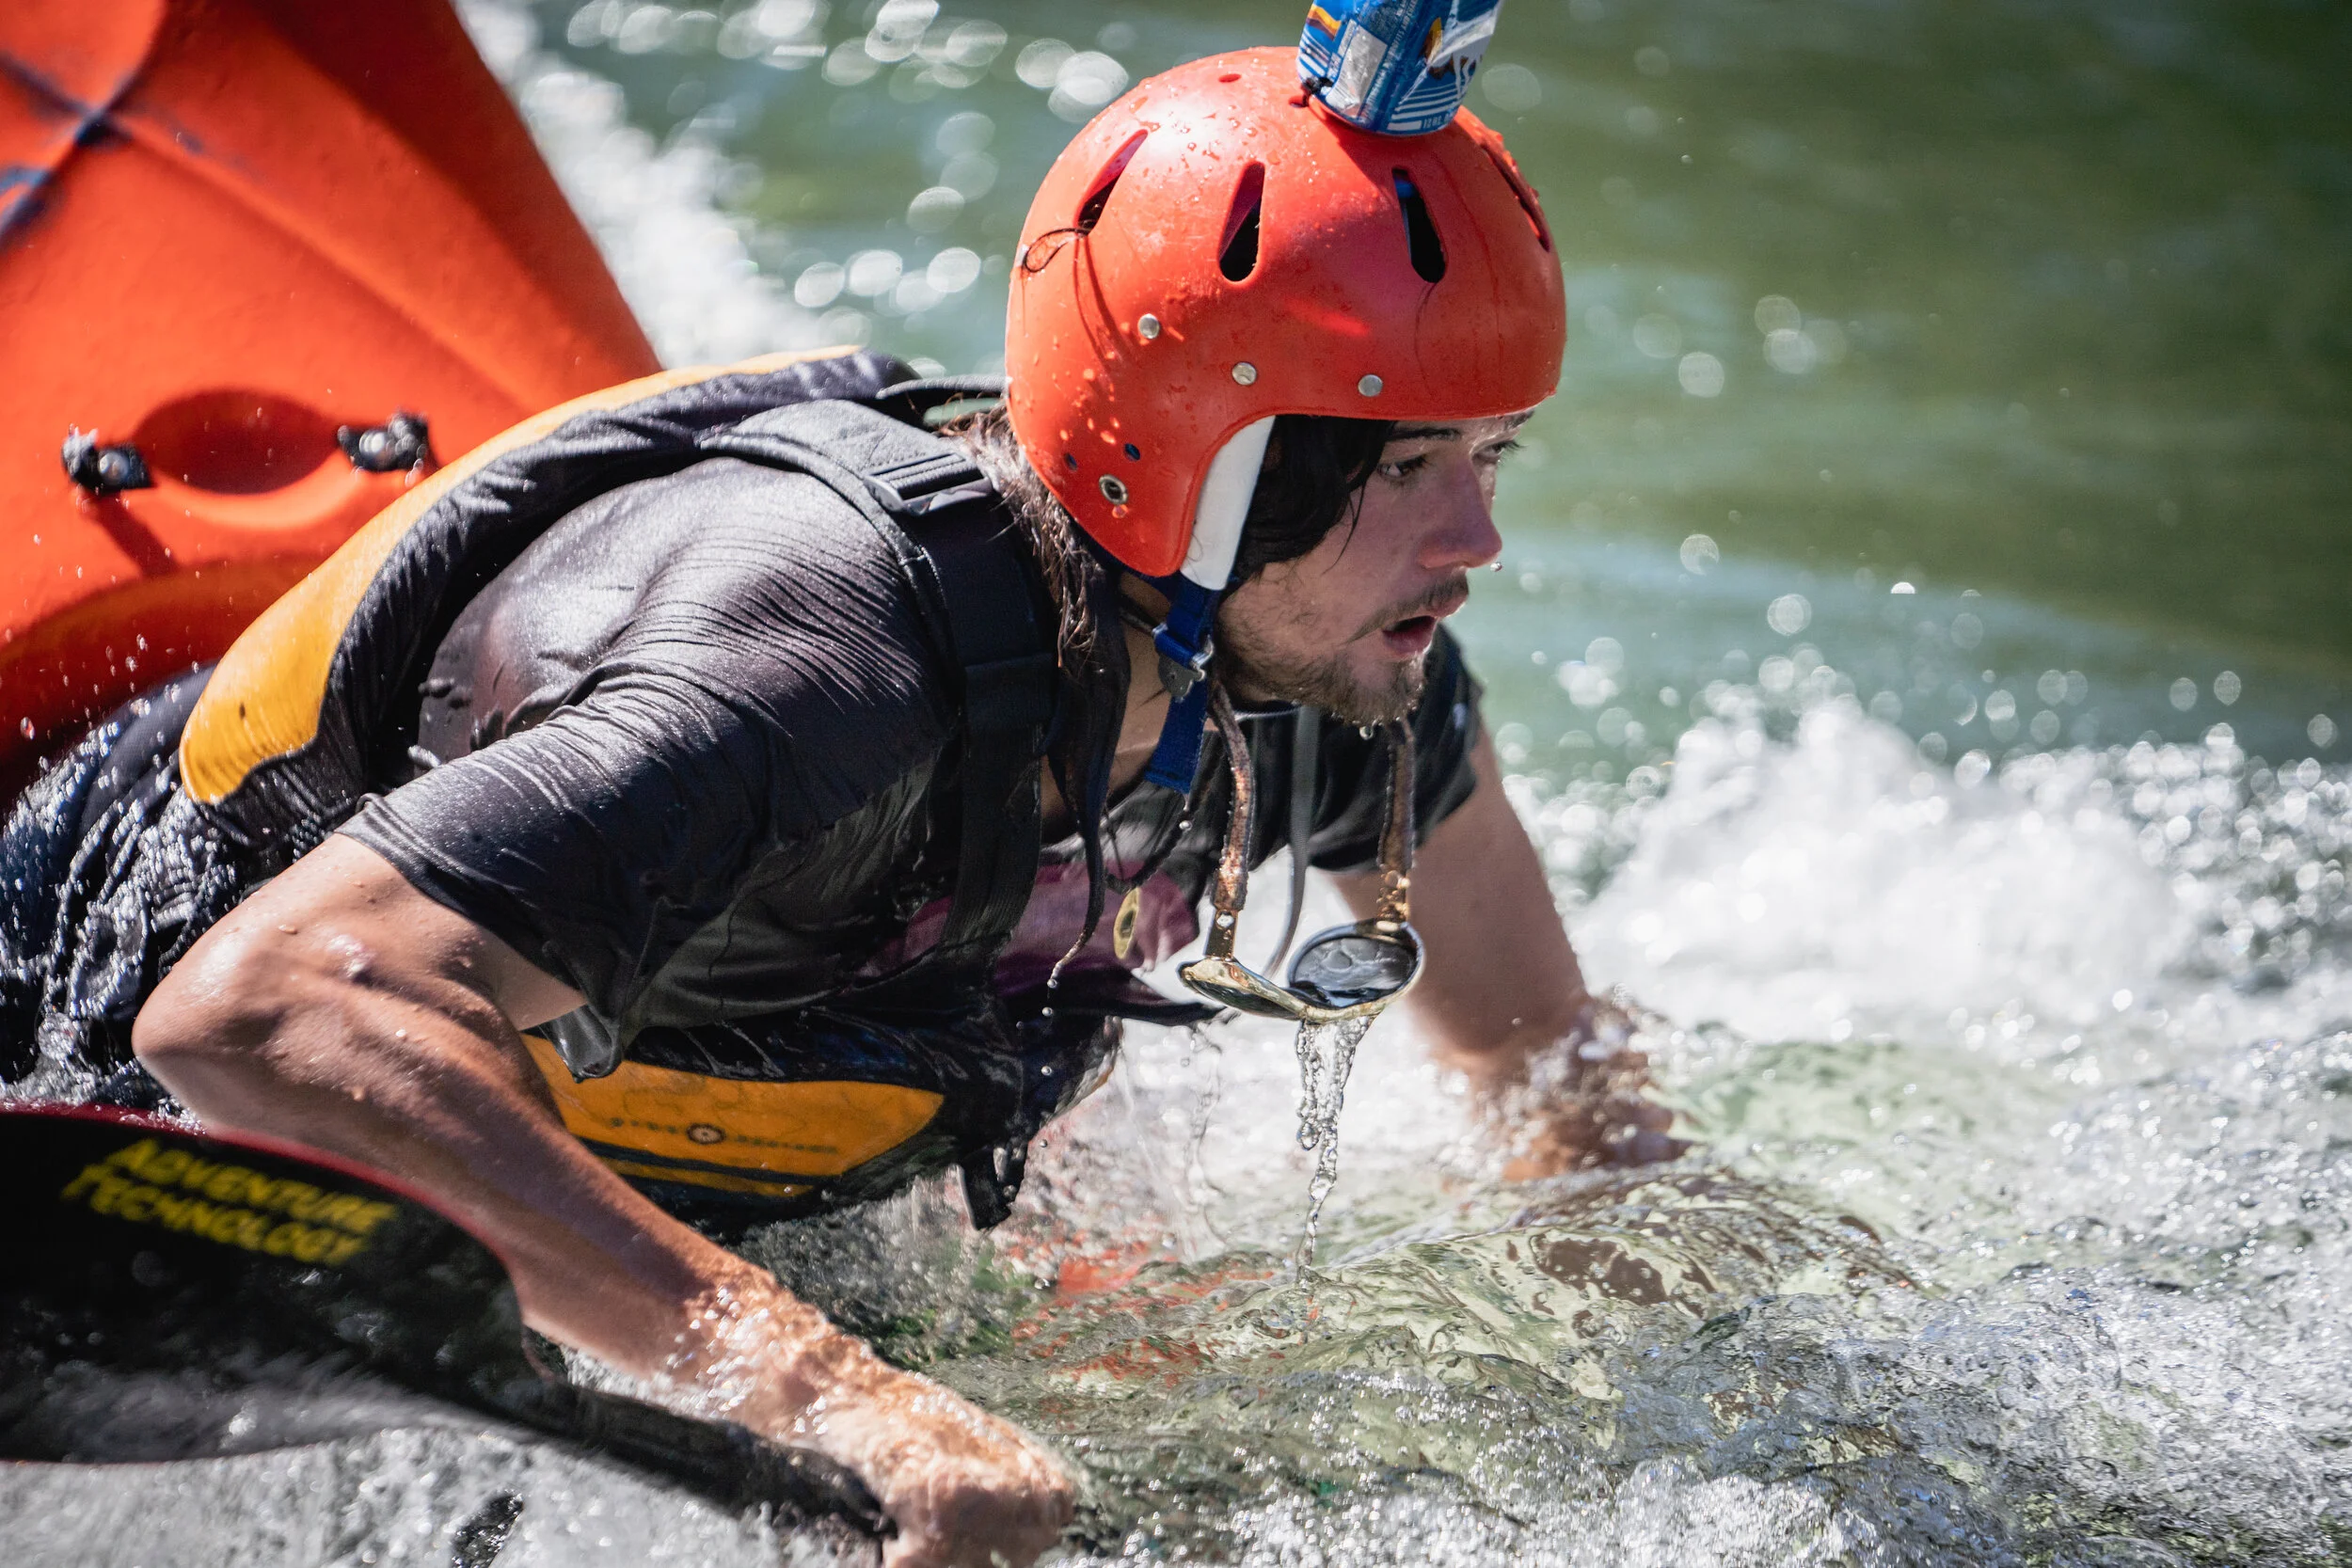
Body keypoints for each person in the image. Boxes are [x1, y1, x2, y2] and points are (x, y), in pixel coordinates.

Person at [0, 46, 1671, 1568]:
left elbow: (1551, 1070)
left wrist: (1685, 1341)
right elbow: (258, 1010)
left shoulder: (1340, 684)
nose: (1477, 544)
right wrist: (829, 1394)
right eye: (1405, 471)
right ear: (1209, 466)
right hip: (115, 992)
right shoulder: (812, 666)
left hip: (732, 1121)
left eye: (1494, 458)